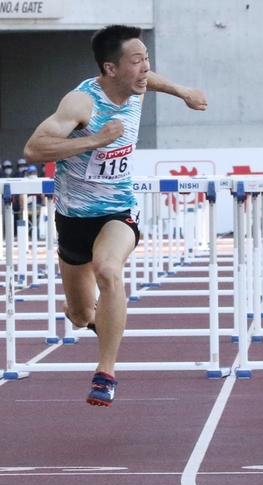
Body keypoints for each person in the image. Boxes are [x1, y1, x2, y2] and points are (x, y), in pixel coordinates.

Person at [23, 25, 207, 407]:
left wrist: (183, 92)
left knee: (108, 270)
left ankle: (105, 373)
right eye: (136, 61)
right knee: (76, 315)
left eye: (146, 59)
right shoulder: (81, 103)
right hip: (73, 218)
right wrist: (96, 140)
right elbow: (33, 150)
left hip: (118, 211)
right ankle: (92, 318)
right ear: (110, 68)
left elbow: (149, 78)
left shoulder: (135, 87)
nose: (144, 68)